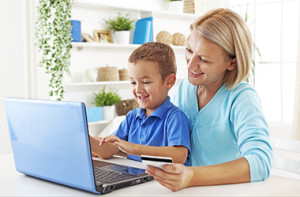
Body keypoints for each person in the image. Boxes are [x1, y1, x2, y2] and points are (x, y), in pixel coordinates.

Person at [145, 8, 273, 191]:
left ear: (232, 63)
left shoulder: (242, 98)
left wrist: (192, 176)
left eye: (203, 59)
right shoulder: (186, 88)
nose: (190, 64)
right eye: (189, 50)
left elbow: (260, 162)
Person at [89, 42, 191, 165]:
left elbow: (180, 156)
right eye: (133, 82)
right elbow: (108, 150)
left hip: (162, 181)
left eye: (146, 82)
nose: (138, 89)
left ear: (169, 81)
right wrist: (86, 138)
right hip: (136, 179)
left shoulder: (174, 117)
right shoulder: (132, 117)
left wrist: (135, 148)